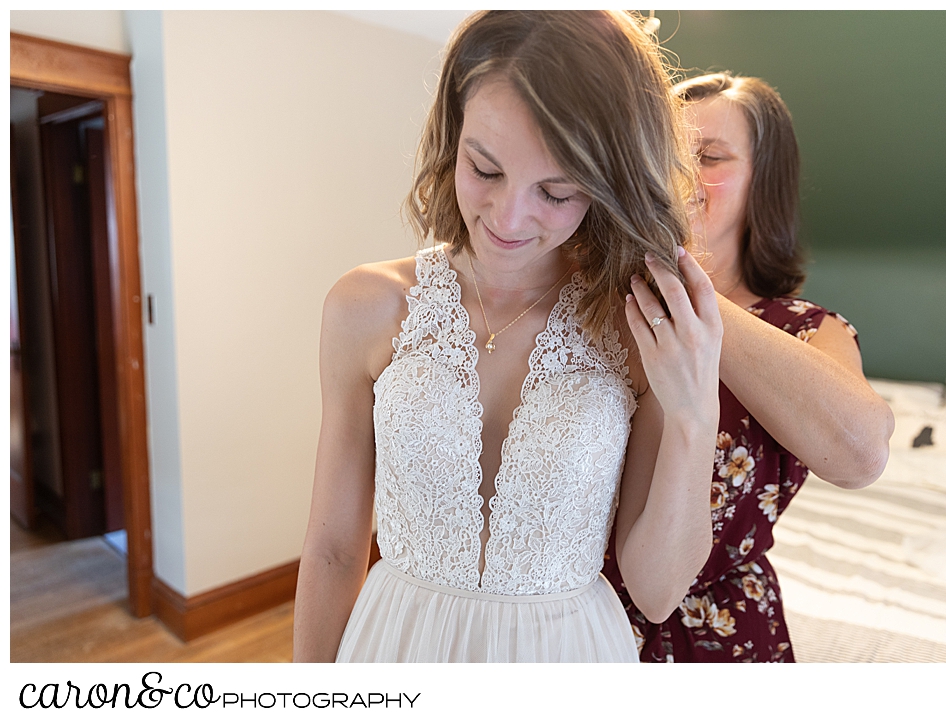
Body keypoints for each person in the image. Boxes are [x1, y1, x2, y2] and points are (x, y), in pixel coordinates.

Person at [292, 11, 724, 663]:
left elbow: (658, 591)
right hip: (397, 646)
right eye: (485, 169)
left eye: (555, 191)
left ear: (606, 188)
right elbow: (331, 545)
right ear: (453, 136)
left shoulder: (634, 328)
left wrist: (695, 413)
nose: (509, 218)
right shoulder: (366, 307)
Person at [602, 72, 895, 662]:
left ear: (763, 182)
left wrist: (686, 287)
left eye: (708, 157)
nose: (680, 175)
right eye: (664, 157)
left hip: (721, 638)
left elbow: (861, 455)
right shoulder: (595, 308)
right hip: (567, 624)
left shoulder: (805, 331)